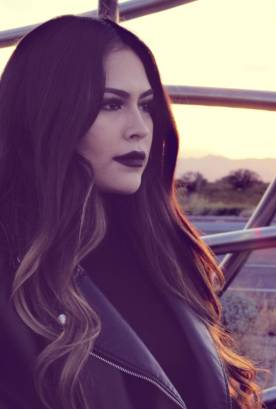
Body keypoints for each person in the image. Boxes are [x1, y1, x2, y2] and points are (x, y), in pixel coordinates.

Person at [0, 15, 260, 409]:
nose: (139, 128)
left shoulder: (161, 247)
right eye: (111, 104)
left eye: (147, 106)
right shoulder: (12, 272)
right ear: (47, 114)